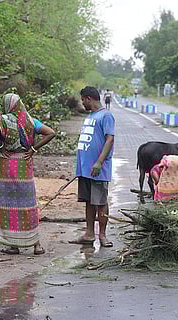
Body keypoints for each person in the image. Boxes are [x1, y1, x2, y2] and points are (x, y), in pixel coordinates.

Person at [0, 93, 56, 255]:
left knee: (8, 206)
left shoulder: (2, 120)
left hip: (5, 169)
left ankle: (13, 245)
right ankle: (36, 245)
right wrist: (33, 149)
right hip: (24, 167)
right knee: (27, 206)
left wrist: (0, 146)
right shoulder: (31, 121)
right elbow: (51, 132)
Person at [69, 86, 115, 248]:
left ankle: (102, 235)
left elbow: (109, 140)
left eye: (83, 99)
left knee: (100, 201)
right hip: (85, 169)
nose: (82, 102)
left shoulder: (106, 116)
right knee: (89, 201)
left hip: (98, 169)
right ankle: (89, 234)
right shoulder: (90, 116)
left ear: (89, 98)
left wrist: (99, 162)